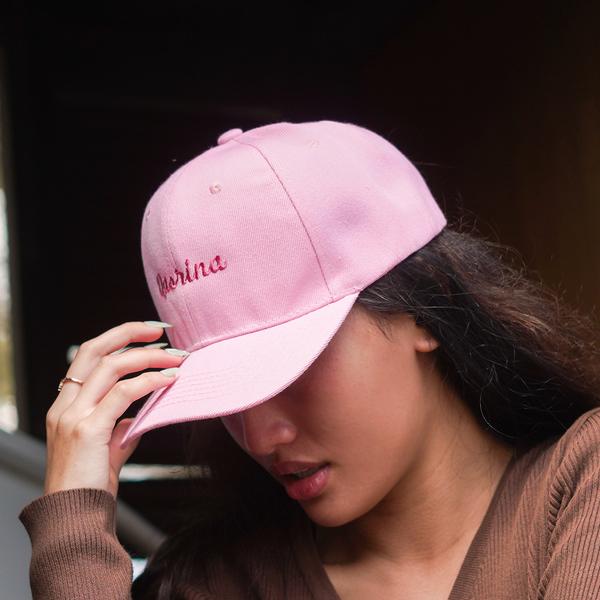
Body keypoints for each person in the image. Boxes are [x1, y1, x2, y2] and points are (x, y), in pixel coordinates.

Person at [18, 120, 600, 600]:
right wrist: (72, 537)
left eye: (293, 370)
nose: (260, 436)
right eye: (229, 394)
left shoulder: (580, 488)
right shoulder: (209, 583)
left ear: (425, 309)